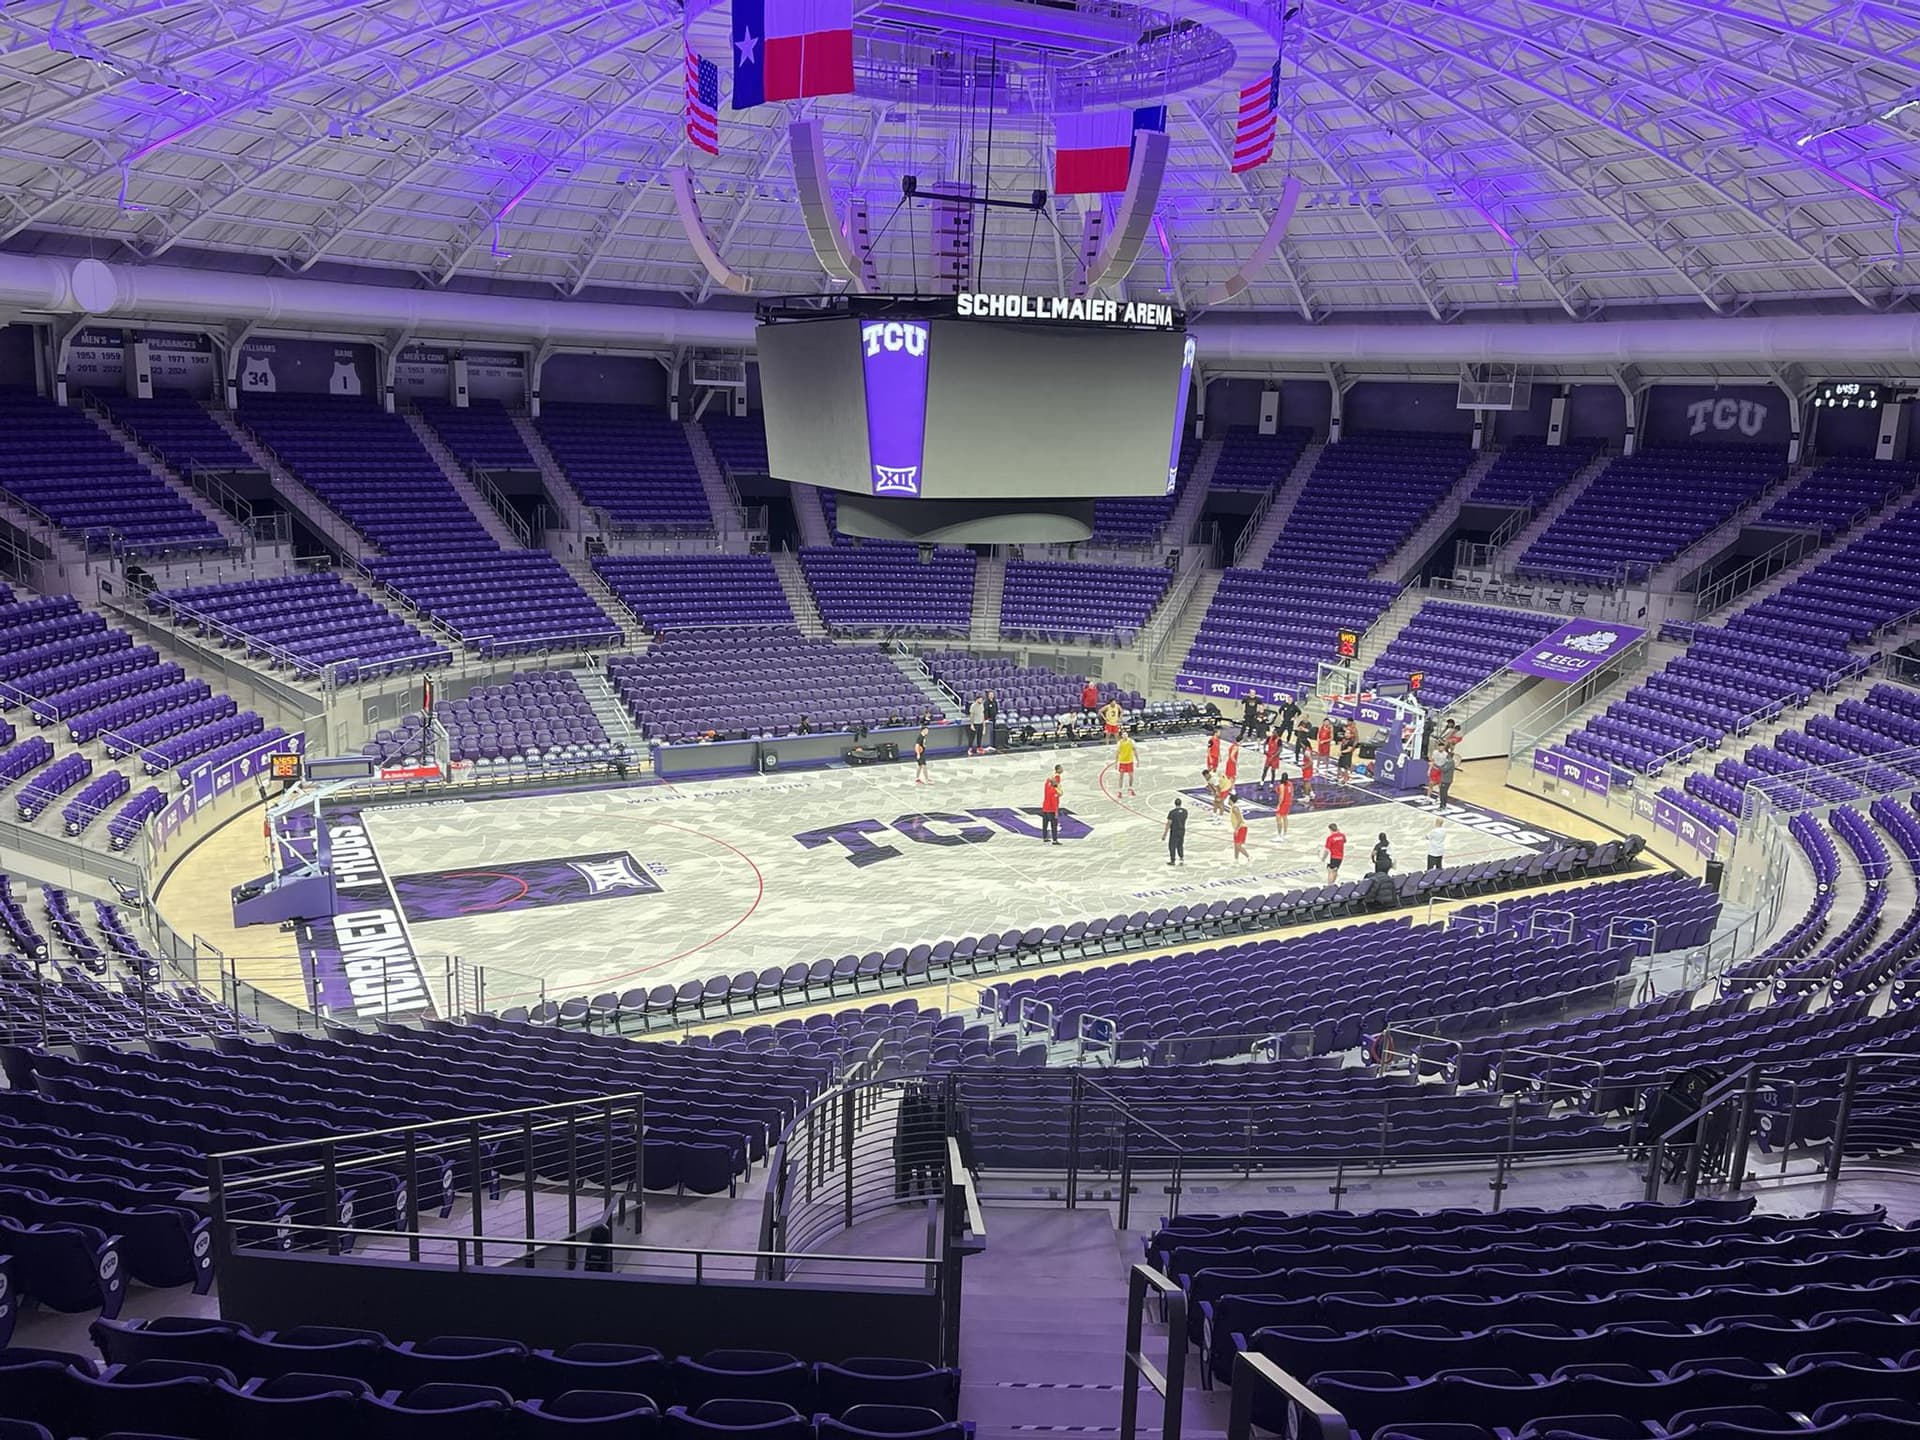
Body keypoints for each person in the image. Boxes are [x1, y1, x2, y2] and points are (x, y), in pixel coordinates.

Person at [1040, 765, 1064, 843]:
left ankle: (1044, 837)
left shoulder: (1046, 786)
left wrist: (1051, 779)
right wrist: (1056, 812)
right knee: (1054, 825)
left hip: (1045, 808)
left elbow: (1049, 780)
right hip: (1051, 810)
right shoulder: (1054, 792)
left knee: (1045, 824)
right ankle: (1054, 840)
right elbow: (1055, 802)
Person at [1164, 796, 1188, 866]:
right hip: (1182, 830)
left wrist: (1165, 834)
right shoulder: (1185, 811)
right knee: (1180, 844)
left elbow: (1169, 823)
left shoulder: (1172, 812)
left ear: (1175, 803)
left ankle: (1173, 860)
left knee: (1172, 845)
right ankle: (1181, 858)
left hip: (1175, 830)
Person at [1116, 729, 1139, 796]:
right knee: (1121, 777)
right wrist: (1116, 763)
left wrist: (1137, 760)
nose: (1125, 735)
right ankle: (1120, 791)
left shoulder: (1131, 741)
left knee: (1131, 776)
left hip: (1130, 761)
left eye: (1126, 734)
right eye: (1123, 734)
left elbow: (1135, 751)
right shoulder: (1119, 743)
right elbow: (1117, 753)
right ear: (1121, 736)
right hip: (1122, 762)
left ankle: (1130, 788)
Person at [1435, 747, 1458, 811]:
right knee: (1442, 793)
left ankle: (1443, 806)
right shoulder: (1447, 761)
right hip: (1444, 779)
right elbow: (1442, 767)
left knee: (1443, 793)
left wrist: (1437, 766)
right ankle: (1442, 805)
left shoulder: (1451, 762)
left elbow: (1444, 769)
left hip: (1446, 780)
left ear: (1449, 755)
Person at [1230, 797, 1250, 863]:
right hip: (1239, 828)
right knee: (1236, 845)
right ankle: (1236, 859)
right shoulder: (1233, 807)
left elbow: (1239, 820)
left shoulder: (1235, 808)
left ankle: (1248, 856)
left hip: (1241, 828)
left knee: (1238, 846)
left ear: (1230, 800)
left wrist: (1237, 829)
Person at [1274, 772, 1293, 837]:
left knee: (1278, 818)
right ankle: (1285, 833)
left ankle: (1279, 834)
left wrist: (1279, 805)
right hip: (1288, 802)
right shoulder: (1290, 784)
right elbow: (1292, 793)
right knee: (1285, 817)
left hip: (1283, 803)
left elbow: (1281, 797)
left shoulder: (1282, 786)